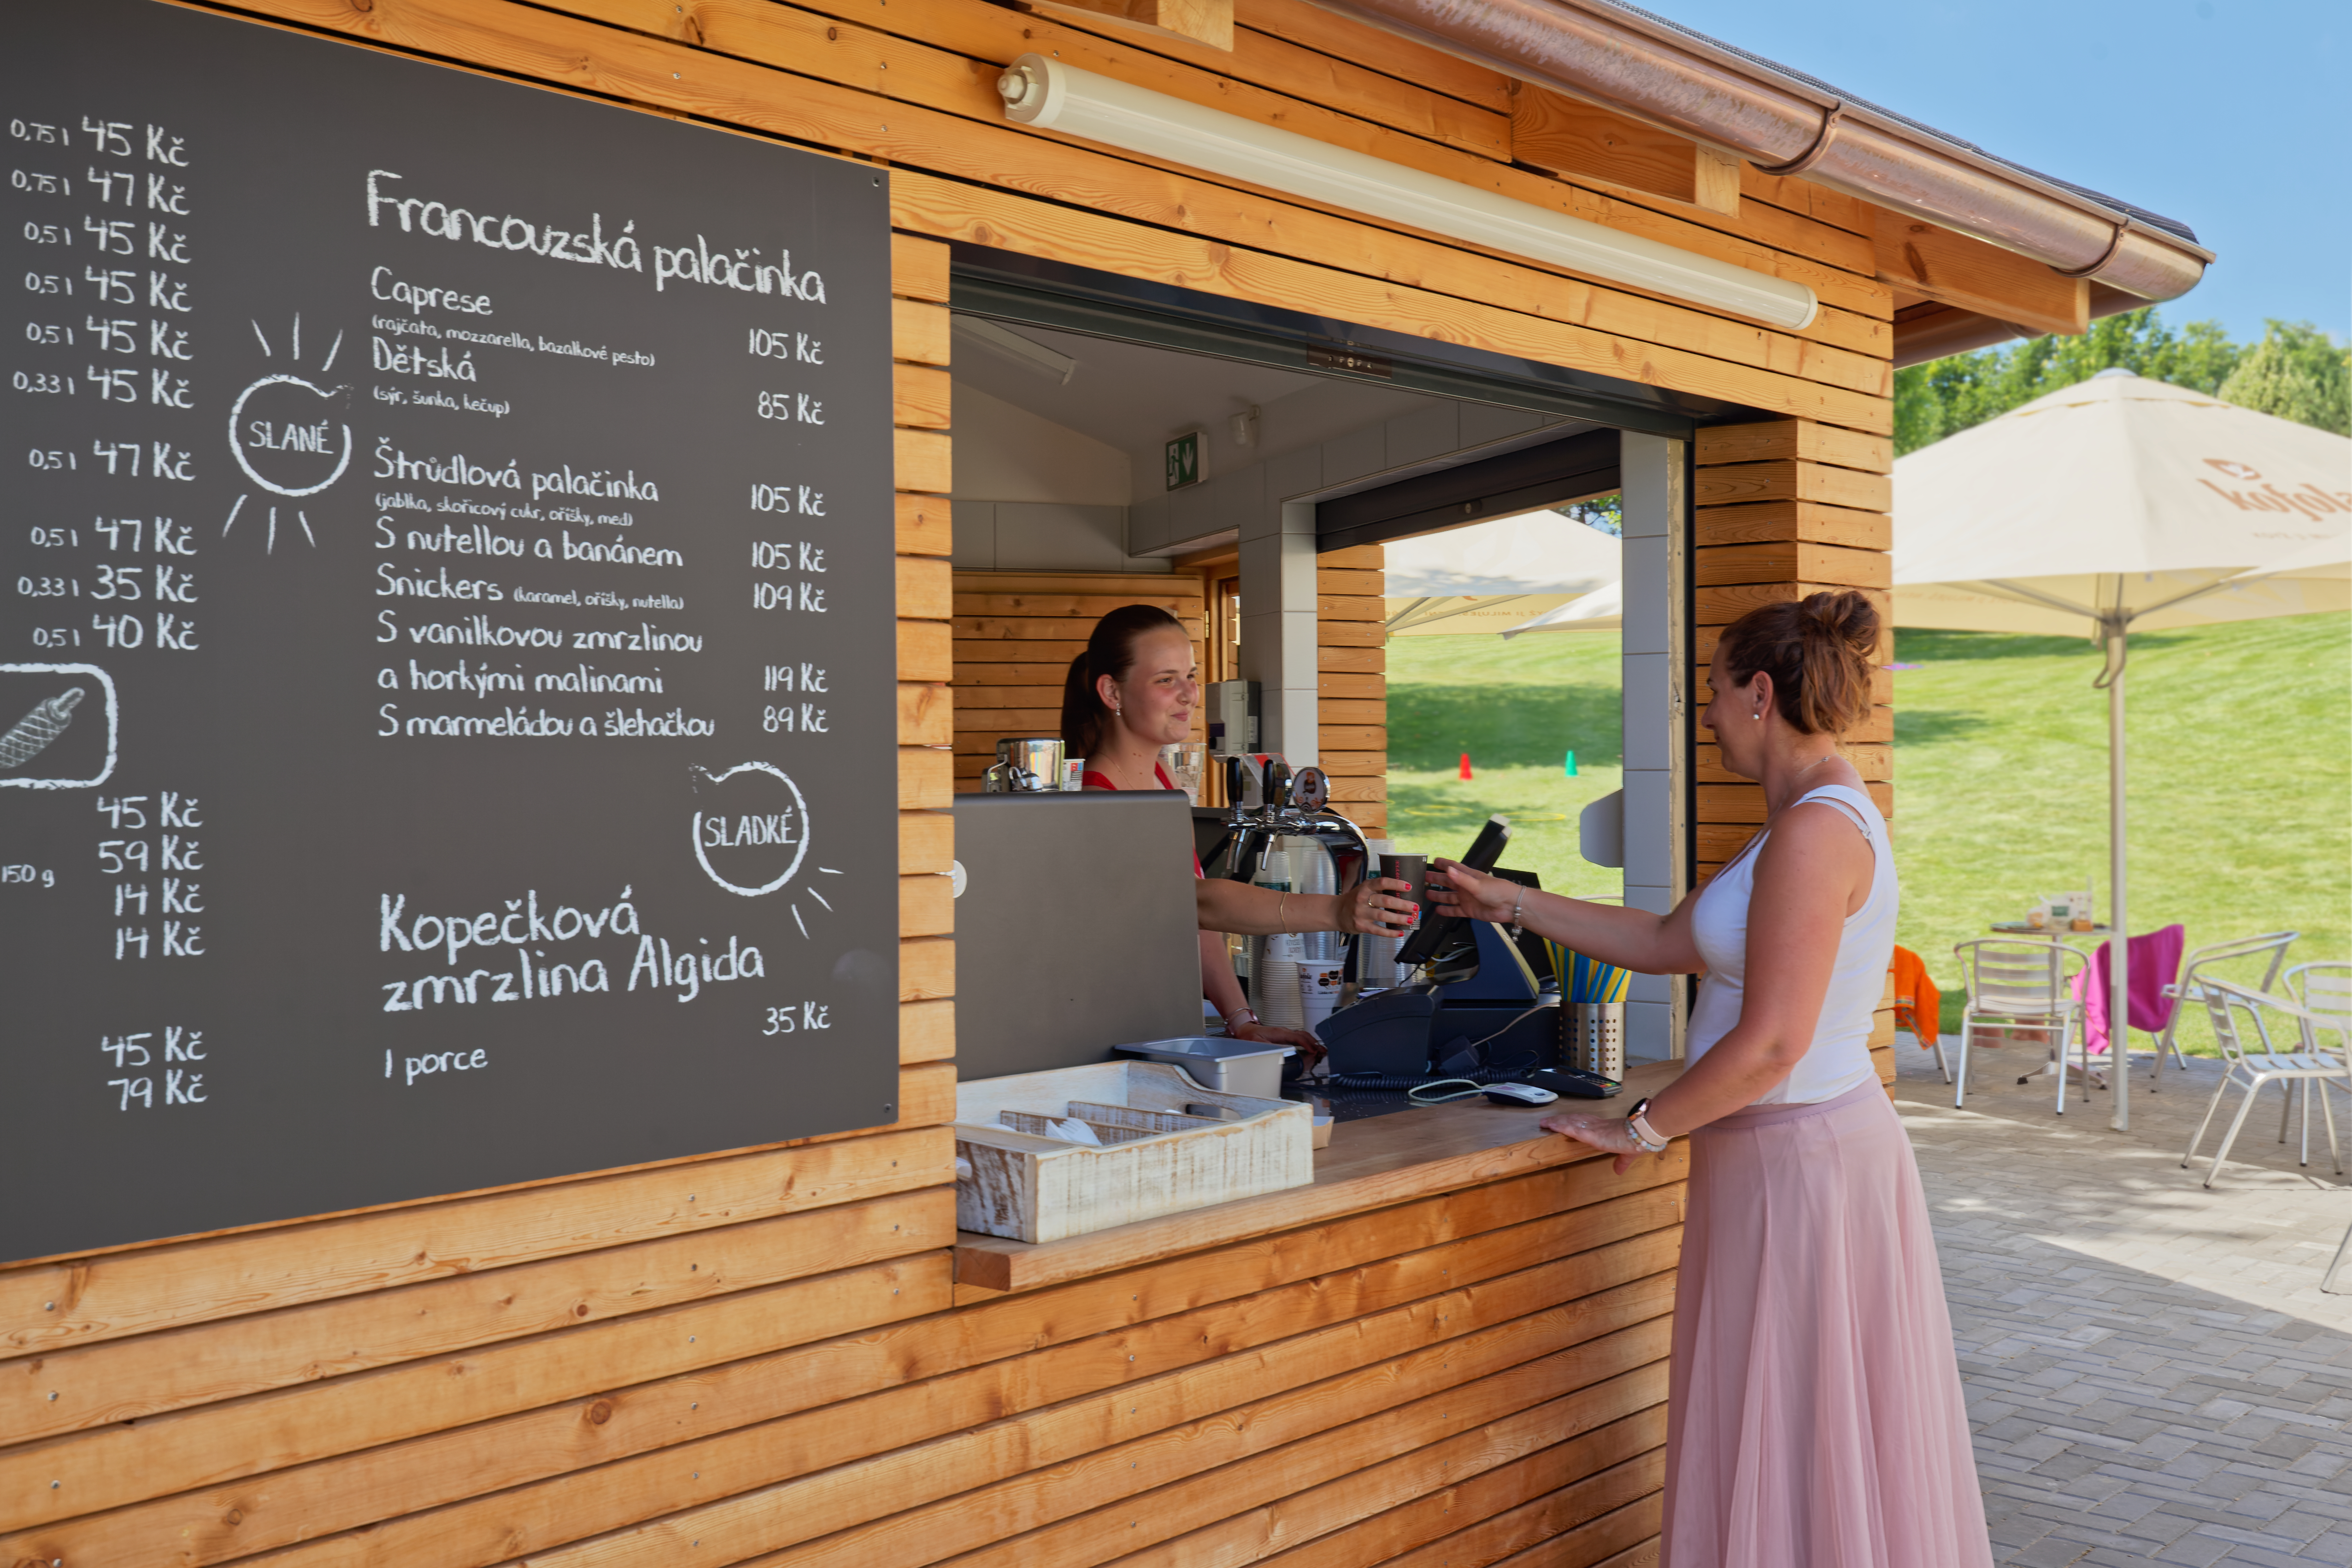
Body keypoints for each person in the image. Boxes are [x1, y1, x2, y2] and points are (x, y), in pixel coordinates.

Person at [1428, 590, 1991, 1568]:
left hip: (1800, 1167)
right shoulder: (1794, 824)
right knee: (1779, 1420)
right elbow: (1658, 941)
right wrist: (1504, 900)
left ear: (1759, 695)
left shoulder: (1816, 832)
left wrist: (1638, 1127)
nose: (1706, 715)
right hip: (1772, 1158)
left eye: (1713, 694)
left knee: (1801, 1423)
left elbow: (1773, 1044)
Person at [1062, 604, 1413, 1053]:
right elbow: (1197, 901)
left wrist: (1240, 1019)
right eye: (1165, 679)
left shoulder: (1160, 786)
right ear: (1112, 691)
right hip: (1111, 1032)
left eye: (1190, 675)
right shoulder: (1100, 798)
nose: (1189, 694)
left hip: (1158, 1020)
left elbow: (1194, 919)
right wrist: (1336, 912)